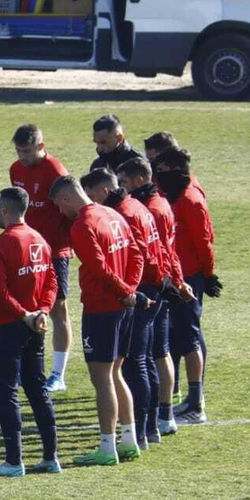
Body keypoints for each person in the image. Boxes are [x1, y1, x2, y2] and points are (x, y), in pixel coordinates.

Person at [50, 173, 144, 466]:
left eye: (58, 205)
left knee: (101, 378)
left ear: (66, 198)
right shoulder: (112, 214)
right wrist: (131, 290)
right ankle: (129, 440)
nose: (60, 211)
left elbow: (100, 268)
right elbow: (138, 254)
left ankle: (107, 446)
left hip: (102, 309)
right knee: (116, 373)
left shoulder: (82, 225)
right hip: (123, 306)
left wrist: (124, 291)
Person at [0, 187, 60, 477]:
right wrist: (43, 311)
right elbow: (52, 281)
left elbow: (0, 292)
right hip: (36, 325)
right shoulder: (40, 239)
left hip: (8, 326)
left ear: (4, 209)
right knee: (37, 388)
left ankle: (14, 461)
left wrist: (25, 314)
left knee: (6, 391)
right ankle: (51, 457)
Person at [95, 170, 173, 450]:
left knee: (135, 363)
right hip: (153, 287)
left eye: (92, 197)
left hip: (142, 292)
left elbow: (139, 252)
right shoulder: (135, 204)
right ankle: (150, 427)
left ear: (104, 191)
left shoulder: (123, 212)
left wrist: (130, 291)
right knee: (146, 359)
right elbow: (157, 248)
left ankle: (141, 431)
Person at [120, 156, 190, 436]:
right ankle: (163, 416)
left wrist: (169, 280)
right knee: (159, 352)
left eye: (124, 182)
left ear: (139, 180)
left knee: (151, 355)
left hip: (153, 286)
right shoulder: (160, 203)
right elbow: (168, 251)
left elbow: (156, 251)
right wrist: (177, 279)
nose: (122, 189)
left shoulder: (149, 208)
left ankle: (157, 418)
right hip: (164, 283)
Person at [8, 124, 74, 393]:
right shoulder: (15, 169)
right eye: (19, 150)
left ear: (40, 147)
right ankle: (26, 371)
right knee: (24, 308)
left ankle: (58, 374)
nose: (22, 156)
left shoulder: (56, 172)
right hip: (27, 250)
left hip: (55, 251)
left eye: (27, 151)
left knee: (58, 309)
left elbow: (71, 210)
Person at [155, 147, 218, 424]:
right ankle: (189, 400)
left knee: (190, 335)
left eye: (162, 171)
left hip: (190, 278)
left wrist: (209, 275)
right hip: (175, 276)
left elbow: (205, 241)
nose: (158, 177)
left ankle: (196, 405)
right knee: (179, 334)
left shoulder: (191, 201)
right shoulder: (174, 195)